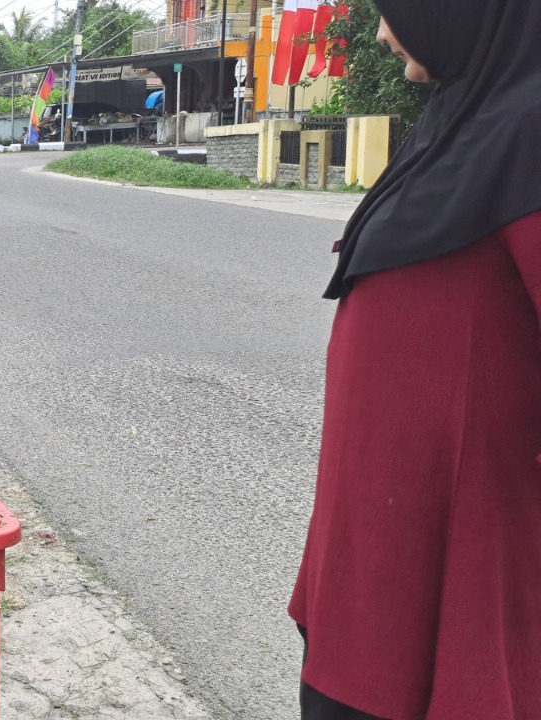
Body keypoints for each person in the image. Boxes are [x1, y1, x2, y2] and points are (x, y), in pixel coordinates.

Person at [288, 2, 541, 718]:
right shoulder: (465, 119)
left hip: (453, 555)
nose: (378, 32)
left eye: (392, 10)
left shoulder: (529, 132)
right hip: (375, 541)